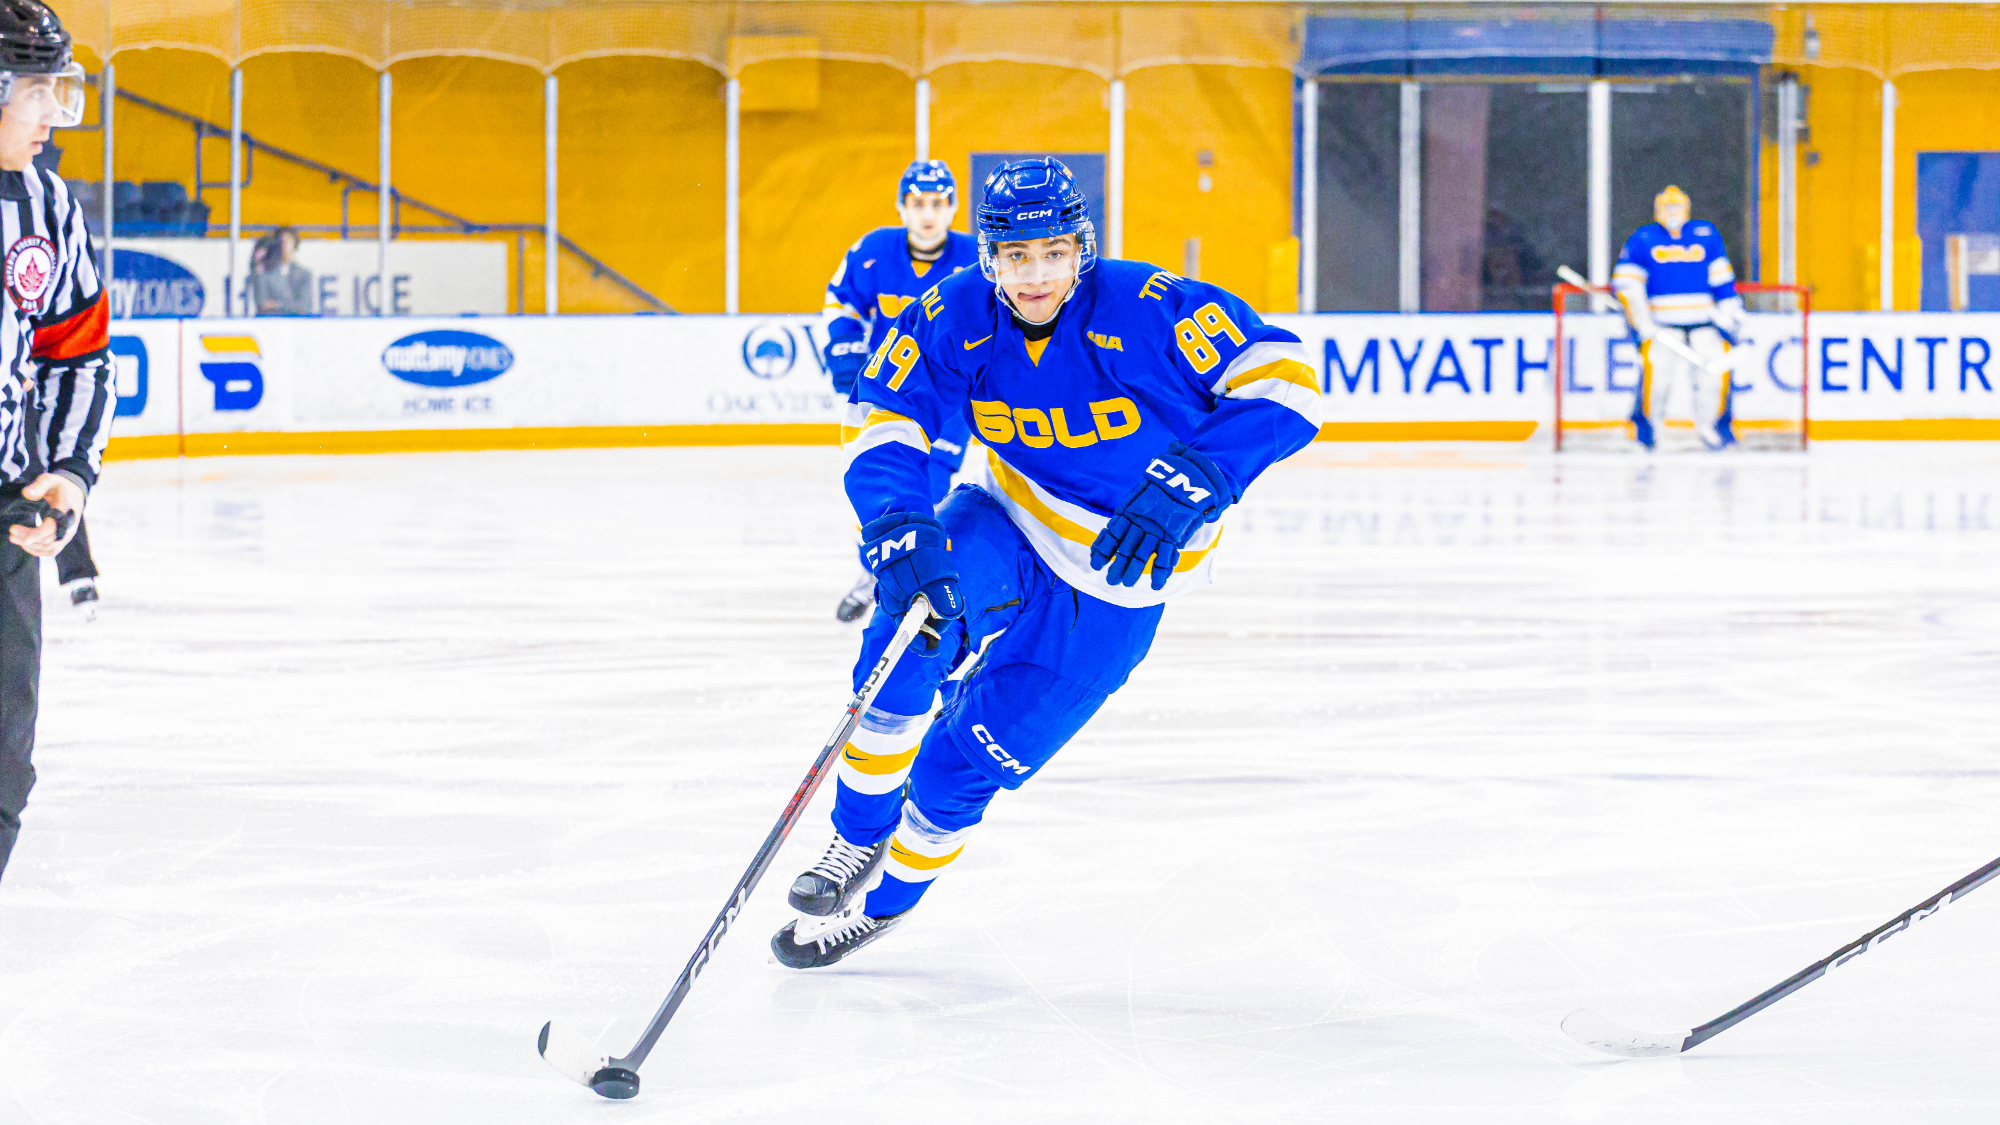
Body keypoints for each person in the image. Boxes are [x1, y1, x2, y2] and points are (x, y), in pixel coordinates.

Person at [771, 157, 1322, 968]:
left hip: (1121, 577)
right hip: (1010, 515)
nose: (1035, 275)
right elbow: (887, 412)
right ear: (989, 256)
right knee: (911, 633)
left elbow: (1290, 380)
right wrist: (897, 518)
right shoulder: (955, 309)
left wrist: (1202, 475)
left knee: (965, 769)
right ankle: (854, 839)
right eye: (1016, 257)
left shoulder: (1146, 305)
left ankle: (885, 905)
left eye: (1053, 252)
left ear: (1081, 248)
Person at [0, 0, 113, 883]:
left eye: (56, 91)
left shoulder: (48, 207)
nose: (50, 114)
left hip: (5, 515)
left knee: (5, 760)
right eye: (34, 91)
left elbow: (77, 355)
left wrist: (69, 475)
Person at [822, 159, 980, 622]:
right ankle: (876, 570)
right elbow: (841, 300)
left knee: (928, 486)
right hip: (885, 395)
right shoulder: (873, 250)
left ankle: (906, 570)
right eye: (916, 203)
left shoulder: (975, 257)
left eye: (937, 203)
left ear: (952, 208)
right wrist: (845, 348)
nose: (927, 213)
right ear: (900, 207)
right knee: (876, 481)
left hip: (948, 401)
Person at [1611, 185, 1744, 450]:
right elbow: (1626, 283)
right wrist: (1641, 319)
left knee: (1713, 381)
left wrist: (1731, 310)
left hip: (1703, 324)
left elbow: (1721, 278)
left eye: (1677, 207)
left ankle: (1714, 429)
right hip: (1662, 326)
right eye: (1667, 207)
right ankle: (1647, 431)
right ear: (1657, 210)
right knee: (1656, 381)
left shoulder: (1705, 234)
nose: (1672, 212)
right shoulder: (1643, 238)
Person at [249, 225, 314, 316]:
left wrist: (278, 305)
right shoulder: (266, 272)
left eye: (288, 241)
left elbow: (304, 306)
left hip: (297, 325)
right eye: (281, 241)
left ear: (294, 244)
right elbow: (262, 304)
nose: (284, 245)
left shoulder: (304, 274)